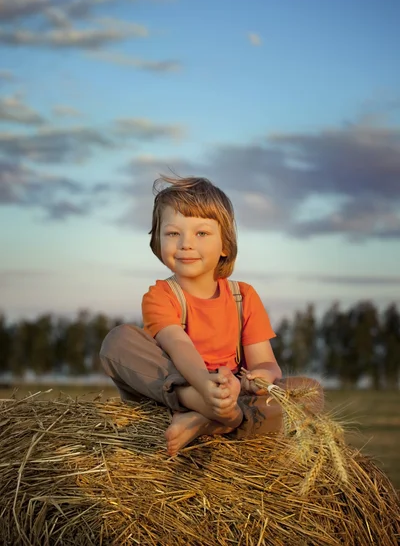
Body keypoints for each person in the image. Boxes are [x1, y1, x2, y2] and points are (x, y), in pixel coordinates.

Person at [100, 175, 323, 456]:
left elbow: (266, 362)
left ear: (225, 245)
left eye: (201, 233)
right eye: (172, 233)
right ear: (158, 243)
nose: (185, 244)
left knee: (310, 392)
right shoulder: (161, 296)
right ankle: (207, 408)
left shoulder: (244, 297)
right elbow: (178, 345)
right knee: (117, 341)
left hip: (233, 392)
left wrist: (260, 377)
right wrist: (204, 387)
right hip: (177, 389)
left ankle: (210, 421)